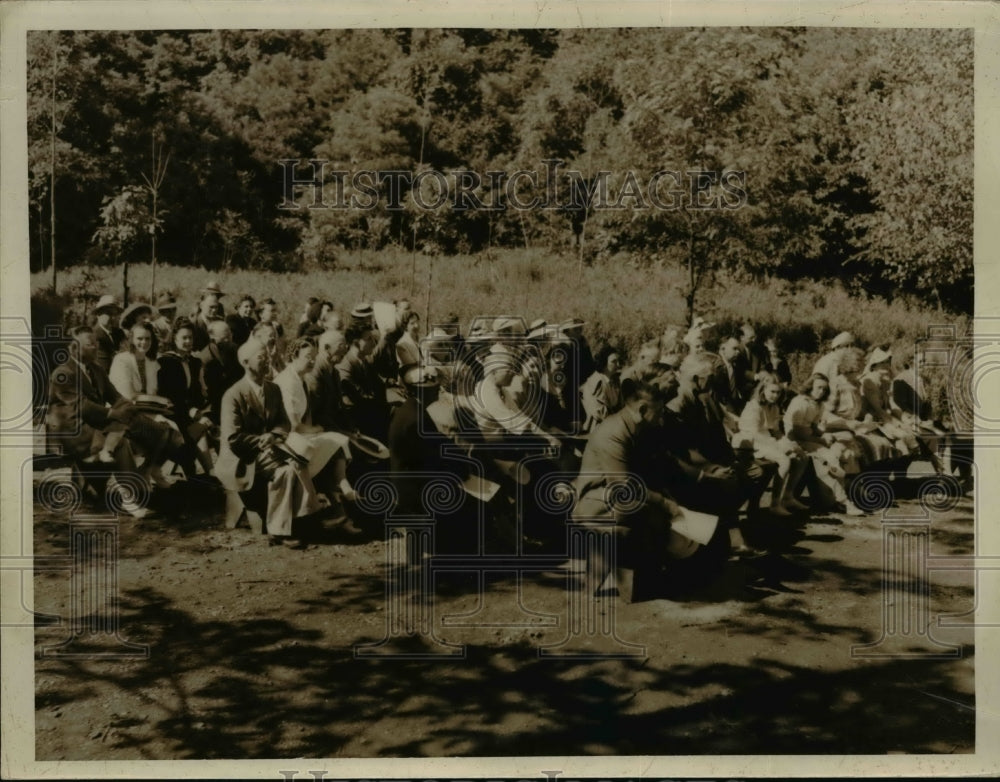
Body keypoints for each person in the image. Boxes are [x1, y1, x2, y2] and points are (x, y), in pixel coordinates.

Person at [571, 380, 687, 600]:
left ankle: (649, 578)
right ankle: (645, 579)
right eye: (659, 411)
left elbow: (649, 469)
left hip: (615, 499)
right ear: (643, 410)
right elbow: (623, 485)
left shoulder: (639, 428)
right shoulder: (613, 432)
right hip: (595, 504)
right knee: (651, 513)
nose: (662, 416)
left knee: (659, 509)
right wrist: (663, 502)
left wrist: (664, 493)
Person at [48, 326, 179, 500]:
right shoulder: (63, 373)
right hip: (74, 429)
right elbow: (82, 406)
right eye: (90, 344)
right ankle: (132, 494)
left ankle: (143, 476)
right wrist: (114, 413)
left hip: (97, 423)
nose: (95, 347)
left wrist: (130, 409)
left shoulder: (96, 369)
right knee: (120, 442)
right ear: (74, 348)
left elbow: (115, 396)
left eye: (96, 343)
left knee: (161, 431)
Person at [216, 338, 322, 547]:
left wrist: (273, 436)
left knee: (299, 462)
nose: (267, 361)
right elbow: (232, 439)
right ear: (246, 363)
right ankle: (280, 530)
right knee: (286, 471)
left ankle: (302, 518)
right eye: (261, 358)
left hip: (271, 448)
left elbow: (283, 422)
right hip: (241, 457)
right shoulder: (233, 395)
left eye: (268, 357)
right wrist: (260, 442)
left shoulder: (273, 389)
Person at [274, 337, 356, 517]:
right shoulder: (288, 382)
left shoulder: (300, 378)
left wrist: (317, 430)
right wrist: (317, 430)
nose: (312, 361)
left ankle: (341, 490)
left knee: (337, 440)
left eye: (314, 356)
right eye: (307, 357)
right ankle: (334, 496)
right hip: (285, 437)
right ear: (294, 356)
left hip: (299, 433)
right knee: (328, 440)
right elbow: (293, 424)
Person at [784, 374, 864, 516]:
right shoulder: (800, 402)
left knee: (839, 451)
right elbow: (796, 432)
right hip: (795, 440)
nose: (821, 391)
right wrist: (820, 440)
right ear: (810, 387)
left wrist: (823, 434)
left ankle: (842, 496)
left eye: (824, 389)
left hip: (810, 439)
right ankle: (843, 501)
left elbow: (813, 427)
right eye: (818, 388)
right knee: (829, 459)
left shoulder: (818, 404)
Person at [735, 374, 809, 516]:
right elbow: (754, 434)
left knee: (801, 457)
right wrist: (778, 445)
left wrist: (787, 442)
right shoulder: (754, 407)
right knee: (785, 460)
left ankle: (788, 496)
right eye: (772, 392)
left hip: (766, 441)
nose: (775, 395)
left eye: (778, 392)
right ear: (763, 390)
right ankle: (775, 504)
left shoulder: (773, 407)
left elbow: (775, 431)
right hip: (751, 443)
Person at [158, 318, 216, 481]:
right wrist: (193, 412)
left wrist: (201, 411)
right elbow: (169, 396)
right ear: (175, 338)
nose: (188, 341)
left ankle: (207, 474)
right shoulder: (166, 362)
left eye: (190, 337)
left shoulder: (194, 362)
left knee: (207, 424)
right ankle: (208, 473)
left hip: (189, 414)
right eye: (184, 338)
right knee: (200, 429)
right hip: (172, 413)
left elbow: (196, 394)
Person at [337, 321, 388, 439]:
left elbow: (379, 386)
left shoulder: (365, 361)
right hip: (358, 421)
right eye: (368, 339)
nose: (373, 343)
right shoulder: (345, 365)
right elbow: (354, 398)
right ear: (356, 342)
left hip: (371, 413)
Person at [199, 319, 242, 424]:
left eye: (230, 335)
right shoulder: (206, 358)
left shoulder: (235, 349)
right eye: (224, 338)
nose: (229, 340)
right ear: (212, 339)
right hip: (214, 407)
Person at [109, 323, 161, 401]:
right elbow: (128, 394)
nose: (144, 342)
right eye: (140, 338)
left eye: (147, 338)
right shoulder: (121, 360)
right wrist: (156, 399)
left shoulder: (153, 363)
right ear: (132, 339)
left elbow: (153, 392)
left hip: (148, 408)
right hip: (124, 407)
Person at [580, 343, 624, 432]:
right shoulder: (596, 382)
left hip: (613, 425)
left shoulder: (615, 381)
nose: (618, 364)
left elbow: (621, 406)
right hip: (596, 430)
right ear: (604, 362)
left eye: (618, 361)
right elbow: (600, 413)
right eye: (614, 361)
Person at [92, 294, 125, 374]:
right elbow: (103, 365)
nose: (113, 318)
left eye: (115, 314)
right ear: (98, 314)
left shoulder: (119, 333)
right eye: (109, 314)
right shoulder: (94, 335)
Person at [191, 281, 224, 351]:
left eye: (216, 307)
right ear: (202, 306)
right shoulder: (194, 324)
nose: (214, 310)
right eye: (211, 307)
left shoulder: (220, 322)